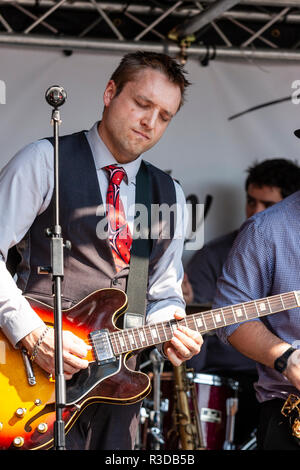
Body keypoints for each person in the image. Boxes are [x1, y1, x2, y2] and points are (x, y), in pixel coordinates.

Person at [0, 51, 202, 450]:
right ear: (110, 93)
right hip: (29, 380)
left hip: (117, 391)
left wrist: (173, 325)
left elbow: (162, 293)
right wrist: (32, 334)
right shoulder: (44, 160)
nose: (150, 122)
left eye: (164, 116)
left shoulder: (168, 194)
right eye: (142, 104)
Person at [183, 158, 300, 446]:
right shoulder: (265, 229)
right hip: (287, 404)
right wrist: (290, 359)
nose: (256, 207)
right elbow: (230, 316)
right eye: (252, 200)